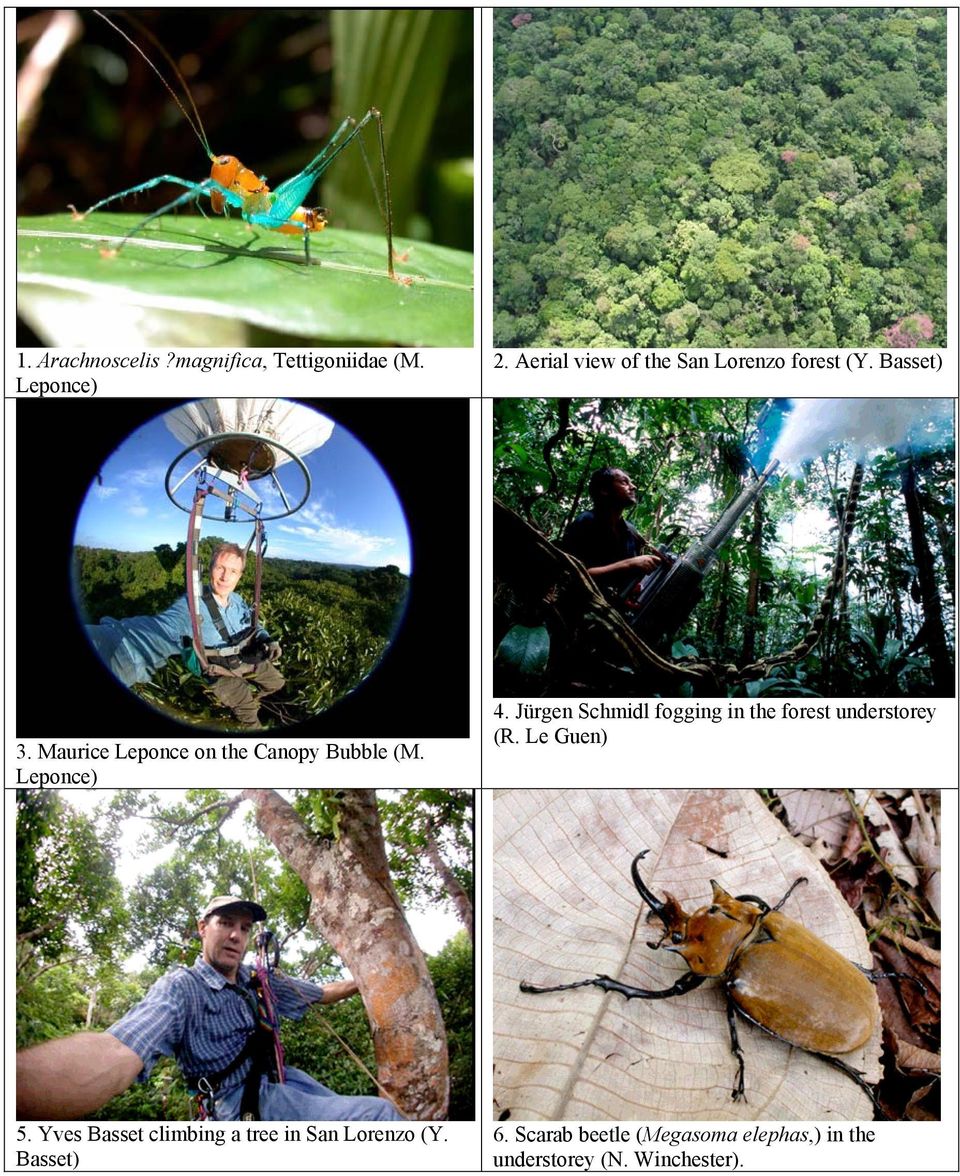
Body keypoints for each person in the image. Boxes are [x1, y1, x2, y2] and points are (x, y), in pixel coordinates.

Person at [16, 895, 405, 1122]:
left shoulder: (258, 979)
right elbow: (119, 1050)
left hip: (282, 1082)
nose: (236, 935)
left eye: (245, 928)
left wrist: (369, 981)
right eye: (225, 923)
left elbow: (320, 993)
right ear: (203, 927)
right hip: (236, 1105)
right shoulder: (182, 988)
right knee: (378, 1118)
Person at [85, 543, 284, 727]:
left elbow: (254, 624)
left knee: (278, 683)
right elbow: (153, 633)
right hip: (219, 670)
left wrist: (266, 639)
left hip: (246, 657)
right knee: (248, 711)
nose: (225, 577)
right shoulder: (191, 606)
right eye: (220, 568)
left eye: (233, 571)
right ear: (210, 569)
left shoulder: (238, 600)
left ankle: (265, 702)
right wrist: (106, 643)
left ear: (240, 576)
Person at [562, 467, 662, 598]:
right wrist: (630, 564)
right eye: (624, 482)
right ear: (604, 490)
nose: (633, 487)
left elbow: (626, 579)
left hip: (616, 610)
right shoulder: (585, 522)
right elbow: (572, 575)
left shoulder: (630, 531)